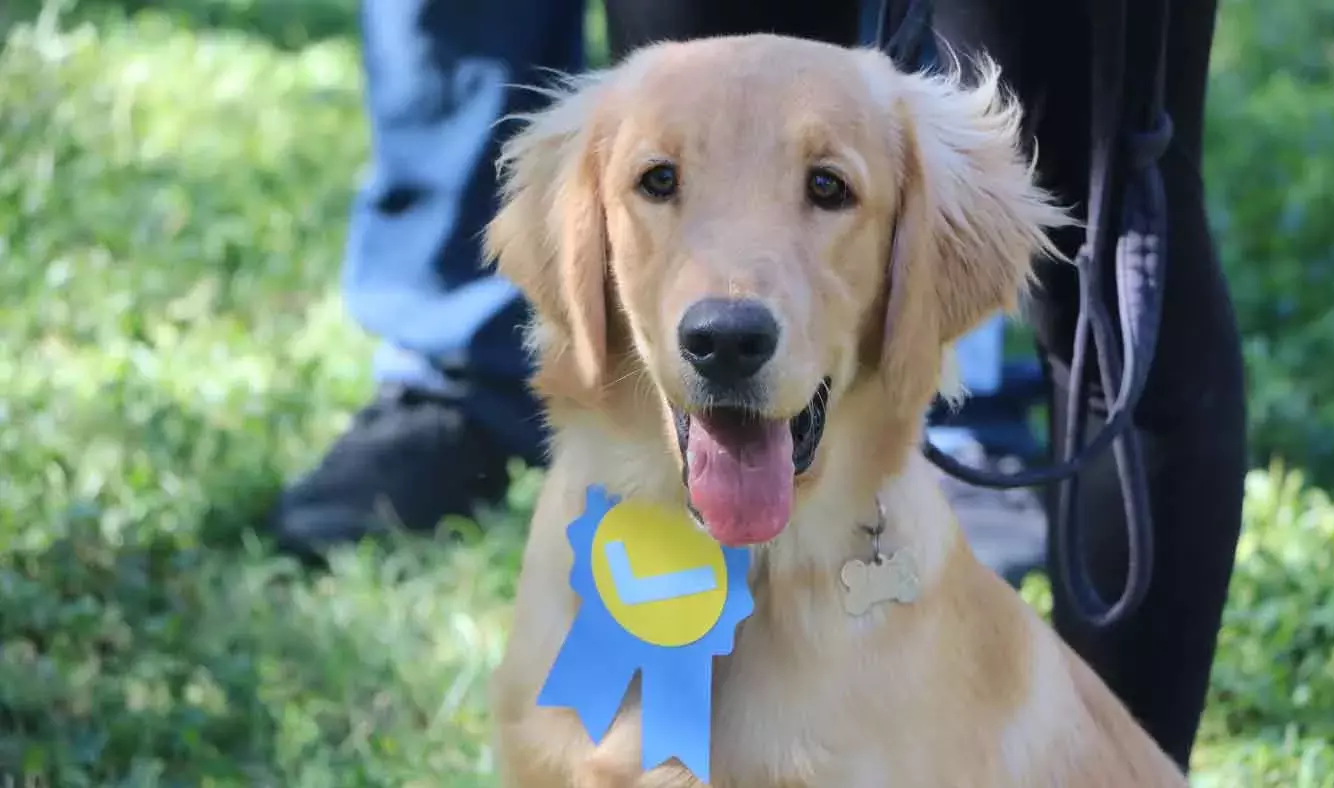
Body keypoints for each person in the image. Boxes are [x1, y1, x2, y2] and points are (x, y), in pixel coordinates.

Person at [272, 0, 1246, 773]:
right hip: (622, 550)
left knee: (1106, 154)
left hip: (870, 580)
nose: (728, 311)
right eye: (659, 183)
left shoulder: (887, 704)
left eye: (827, 189)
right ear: (582, 245)